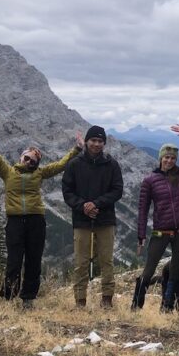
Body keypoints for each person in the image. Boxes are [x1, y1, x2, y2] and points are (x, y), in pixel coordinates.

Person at [0, 114, 83, 309]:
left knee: (34, 260)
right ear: (21, 157)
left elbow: (61, 165)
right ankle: (8, 297)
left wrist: (77, 148)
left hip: (36, 220)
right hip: (15, 221)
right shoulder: (8, 172)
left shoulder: (40, 173)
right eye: (27, 158)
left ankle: (28, 298)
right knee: (14, 261)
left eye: (33, 161)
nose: (29, 162)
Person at [131, 124, 179, 311]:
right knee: (150, 268)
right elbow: (143, 209)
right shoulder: (150, 181)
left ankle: (167, 304)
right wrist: (141, 235)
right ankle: (137, 304)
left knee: (175, 269)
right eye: (166, 157)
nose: (169, 160)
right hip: (161, 231)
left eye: (172, 158)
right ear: (160, 158)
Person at [61, 125, 123, 308]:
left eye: (100, 141)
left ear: (104, 143)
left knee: (106, 260)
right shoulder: (74, 164)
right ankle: (80, 301)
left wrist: (97, 203)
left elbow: (117, 190)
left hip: (105, 219)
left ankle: (107, 299)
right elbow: (67, 191)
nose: (96, 144)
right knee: (80, 262)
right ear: (87, 141)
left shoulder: (111, 164)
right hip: (82, 220)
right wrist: (83, 206)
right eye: (93, 140)